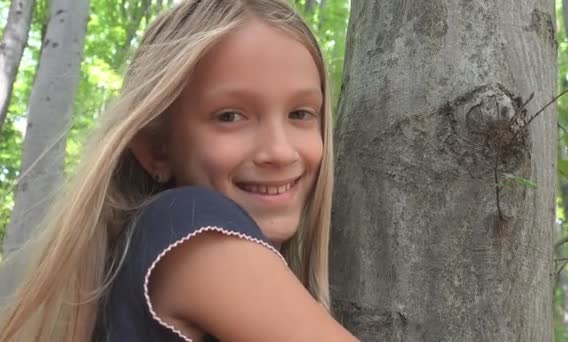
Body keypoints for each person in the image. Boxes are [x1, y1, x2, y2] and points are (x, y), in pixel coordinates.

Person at [0, 0, 359, 341]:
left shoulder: (139, 252)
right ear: (156, 150)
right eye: (230, 116)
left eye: (300, 113)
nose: (279, 152)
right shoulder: (188, 224)